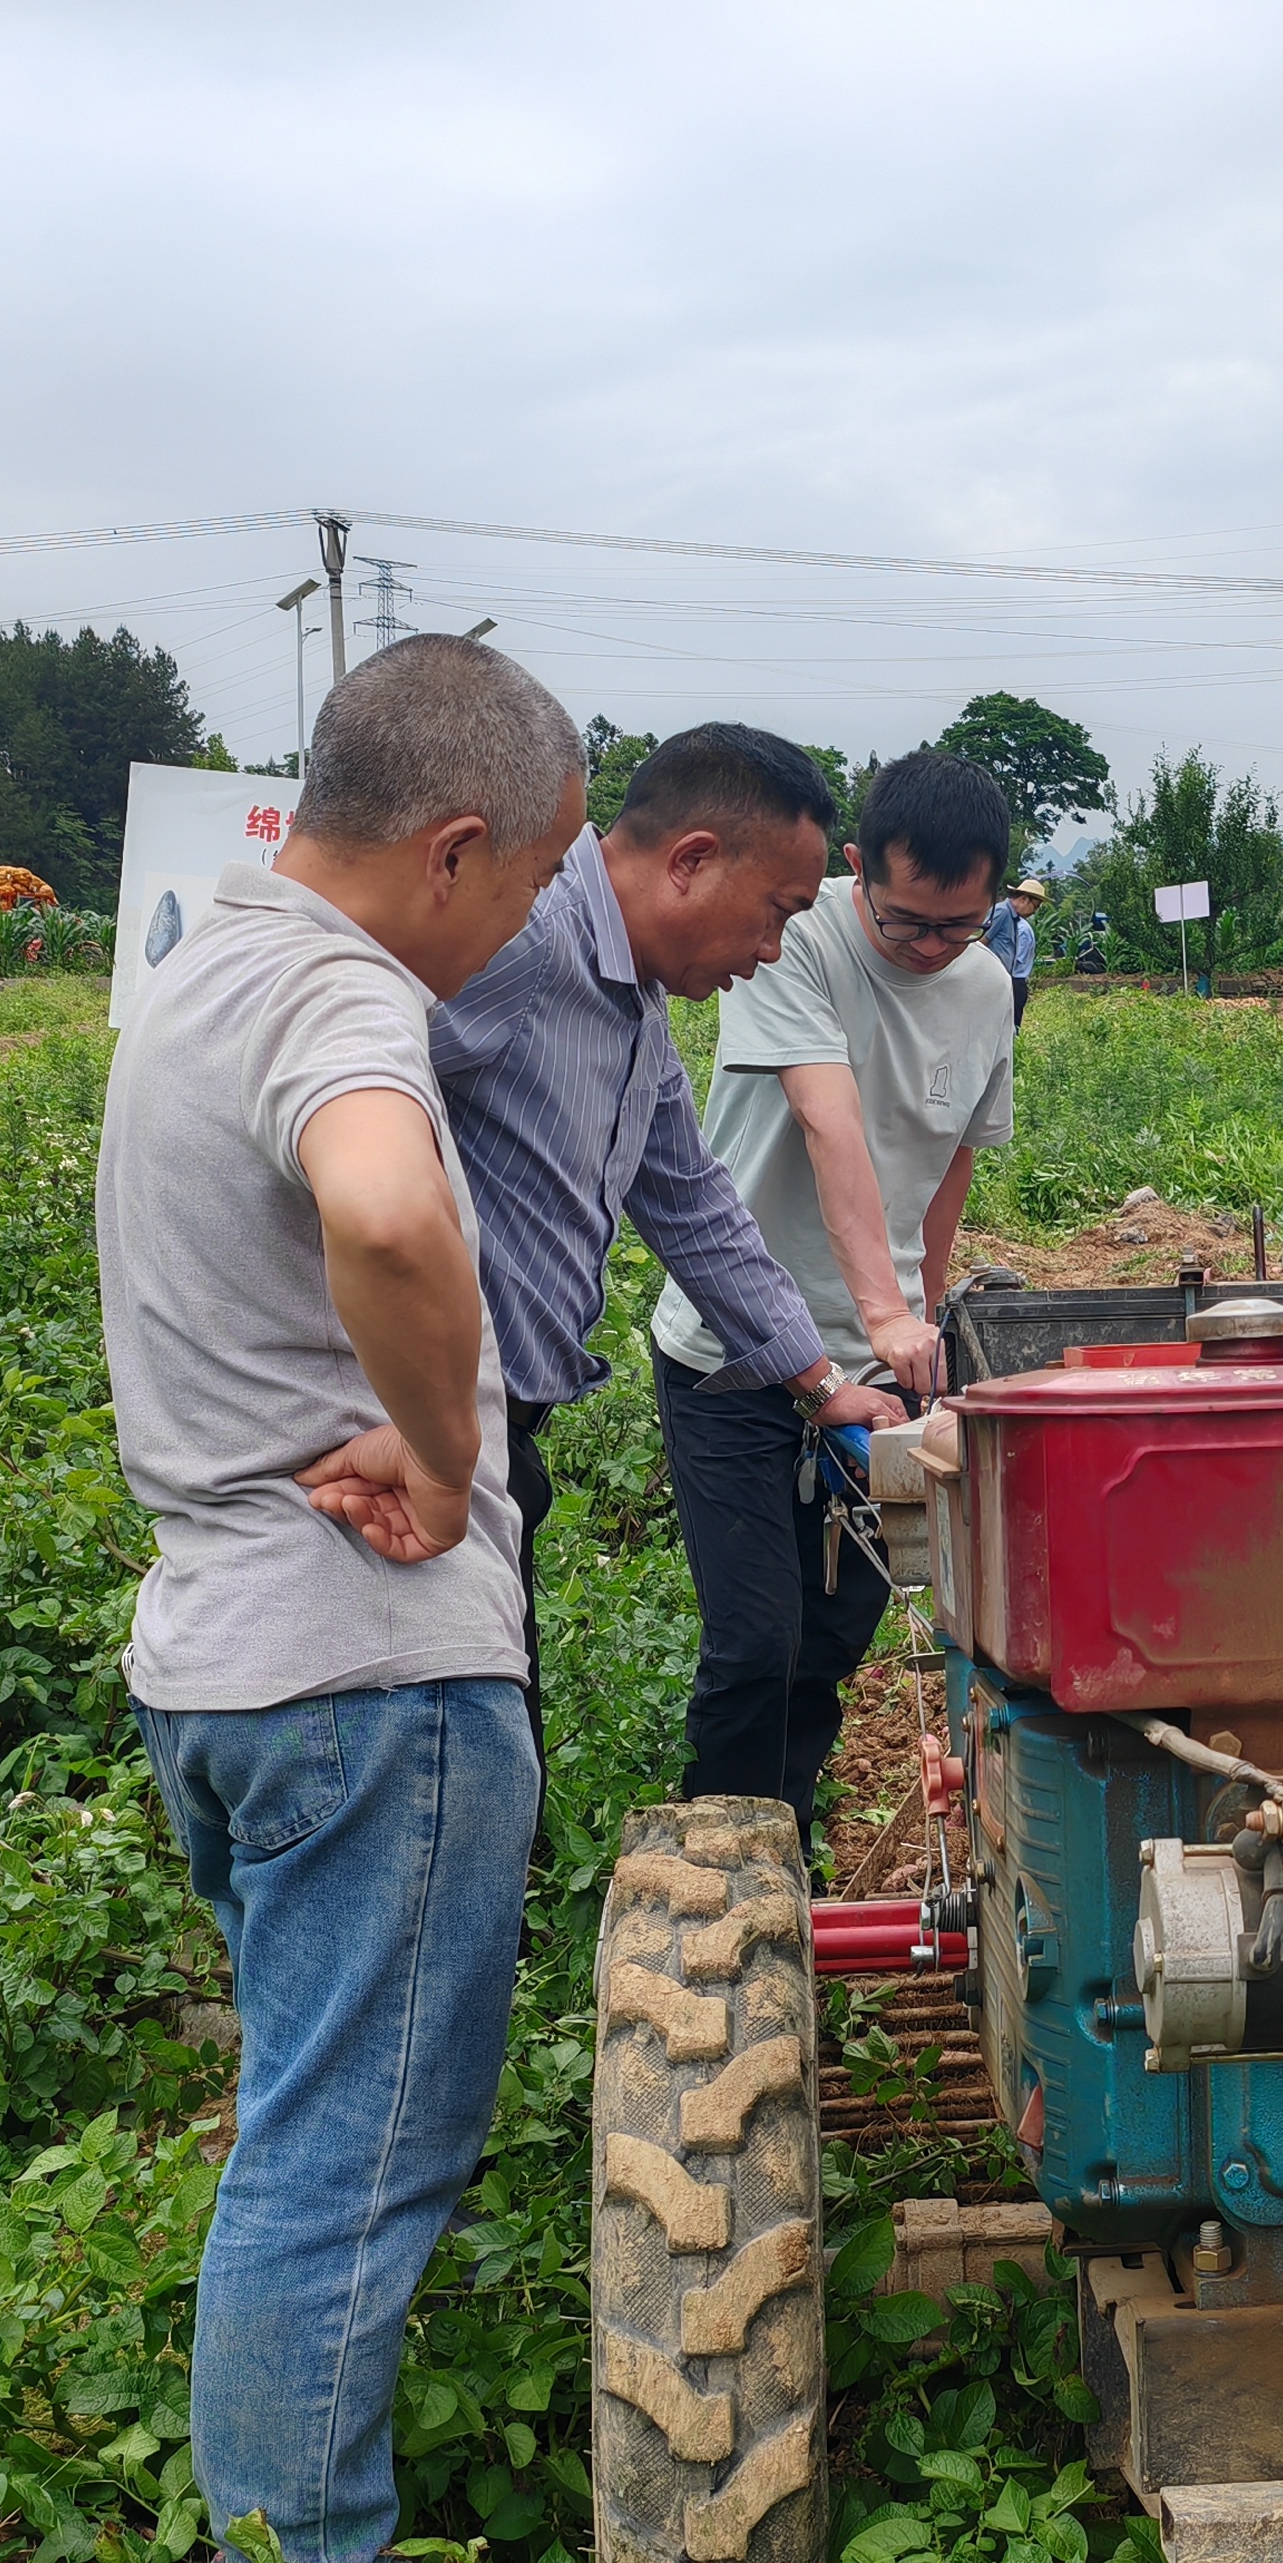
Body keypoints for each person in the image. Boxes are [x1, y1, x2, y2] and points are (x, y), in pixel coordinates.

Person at [94, 633, 586, 2563]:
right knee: (349, 2156)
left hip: (223, 1663)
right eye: (531, 885)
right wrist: (456, 1460)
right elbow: (386, 1214)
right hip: (362, 1669)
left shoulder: (197, 962)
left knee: (298, 2130)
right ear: (453, 848)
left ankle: (262, 2558)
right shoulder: (338, 990)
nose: (520, 932)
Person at [430, 725, 904, 1811]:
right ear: (690, 860)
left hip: (493, 1441)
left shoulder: (635, 1005)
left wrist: (821, 1384)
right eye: (776, 912)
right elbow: (333, 1097)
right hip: (410, 1433)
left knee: (490, 1770)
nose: (773, 951)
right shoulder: (522, 944)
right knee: (449, 1785)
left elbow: (693, 1204)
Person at [646, 747, 1018, 1858]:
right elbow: (827, 1117)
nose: (933, 948)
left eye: (961, 926)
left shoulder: (987, 988)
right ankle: (719, 1872)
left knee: (830, 1637)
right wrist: (879, 1312)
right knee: (755, 1641)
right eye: (908, 922)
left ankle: (785, 1852)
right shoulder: (794, 936)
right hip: (734, 1349)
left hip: (876, 1367)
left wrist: (921, 1316)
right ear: (861, 867)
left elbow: (948, 1162)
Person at [985, 872, 1043, 1027]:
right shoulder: (1002, 912)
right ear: (1024, 899)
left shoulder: (1013, 918)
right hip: (991, 980)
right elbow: (981, 942)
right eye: (1035, 906)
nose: (1034, 911)